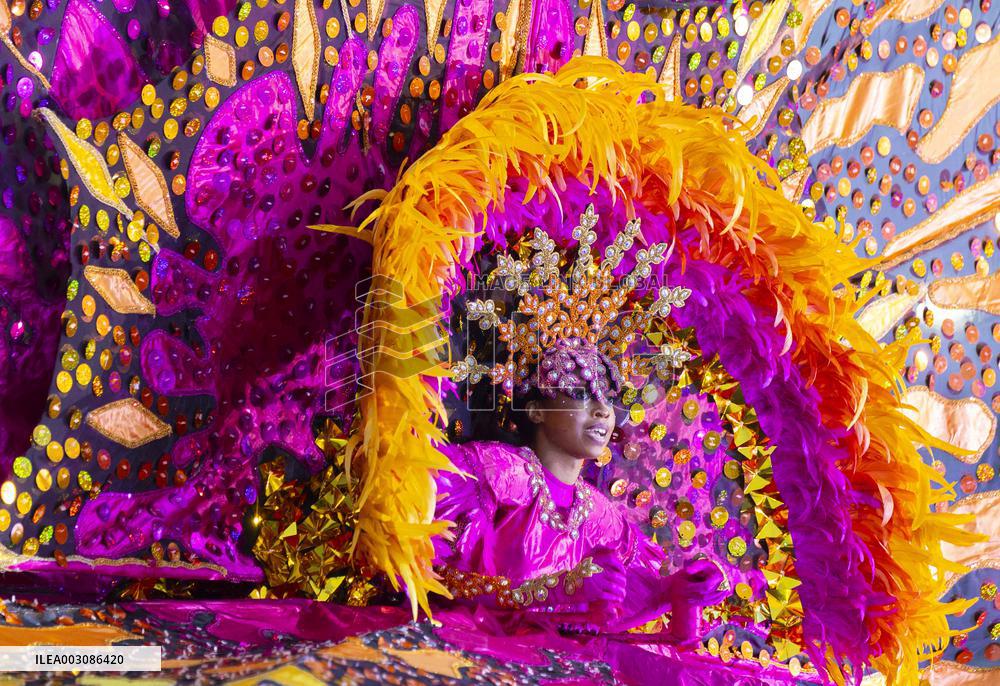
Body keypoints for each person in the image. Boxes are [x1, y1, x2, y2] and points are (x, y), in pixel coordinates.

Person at [432, 336, 727, 641]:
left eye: (607, 398)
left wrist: (677, 590)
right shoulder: (496, 473)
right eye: (580, 393)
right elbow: (439, 580)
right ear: (536, 411)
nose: (602, 411)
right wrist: (558, 589)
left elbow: (618, 616)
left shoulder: (604, 519)